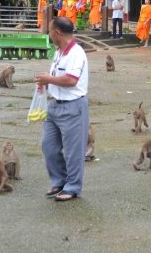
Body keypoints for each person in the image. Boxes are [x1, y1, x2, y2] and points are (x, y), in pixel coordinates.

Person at [34, 17, 89, 202]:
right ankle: (59, 181)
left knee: (74, 151)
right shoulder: (59, 52)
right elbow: (58, 77)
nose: (48, 34)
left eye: (49, 31)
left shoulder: (76, 53)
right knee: (48, 145)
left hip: (73, 107)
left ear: (57, 33)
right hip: (54, 105)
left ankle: (72, 187)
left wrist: (49, 79)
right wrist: (46, 84)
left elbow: (71, 80)